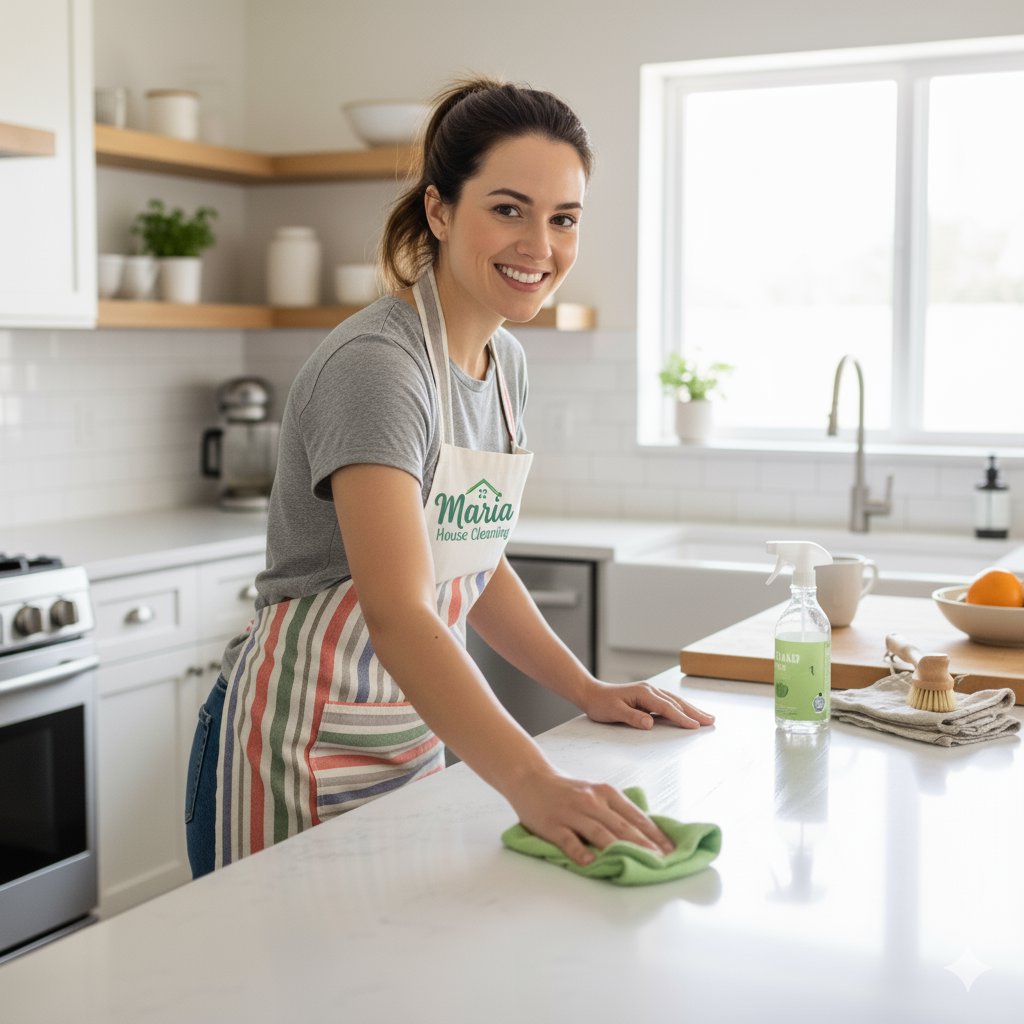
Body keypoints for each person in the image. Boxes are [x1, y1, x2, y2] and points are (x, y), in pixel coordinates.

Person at [184, 75, 715, 879]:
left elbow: (471, 558)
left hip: (409, 738)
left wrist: (585, 687)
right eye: (509, 209)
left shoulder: (505, 365)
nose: (540, 246)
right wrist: (533, 780)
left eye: (563, 218)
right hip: (296, 749)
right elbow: (398, 610)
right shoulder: (379, 368)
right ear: (439, 210)